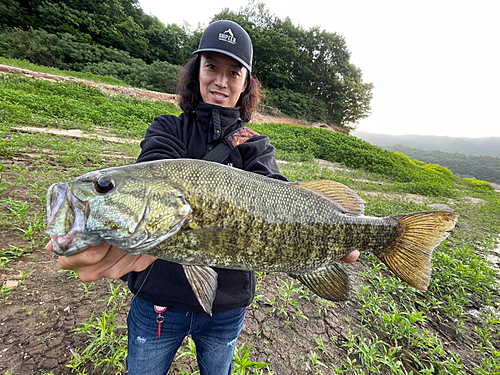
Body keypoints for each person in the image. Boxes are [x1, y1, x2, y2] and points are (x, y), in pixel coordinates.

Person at [47, 20, 360, 375]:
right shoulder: (167, 128)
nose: (221, 81)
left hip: (226, 310)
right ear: (197, 71)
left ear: (246, 85)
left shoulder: (256, 146)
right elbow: (154, 165)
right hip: (157, 304)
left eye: (233, 72)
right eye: (211, 66)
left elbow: (277, 195)